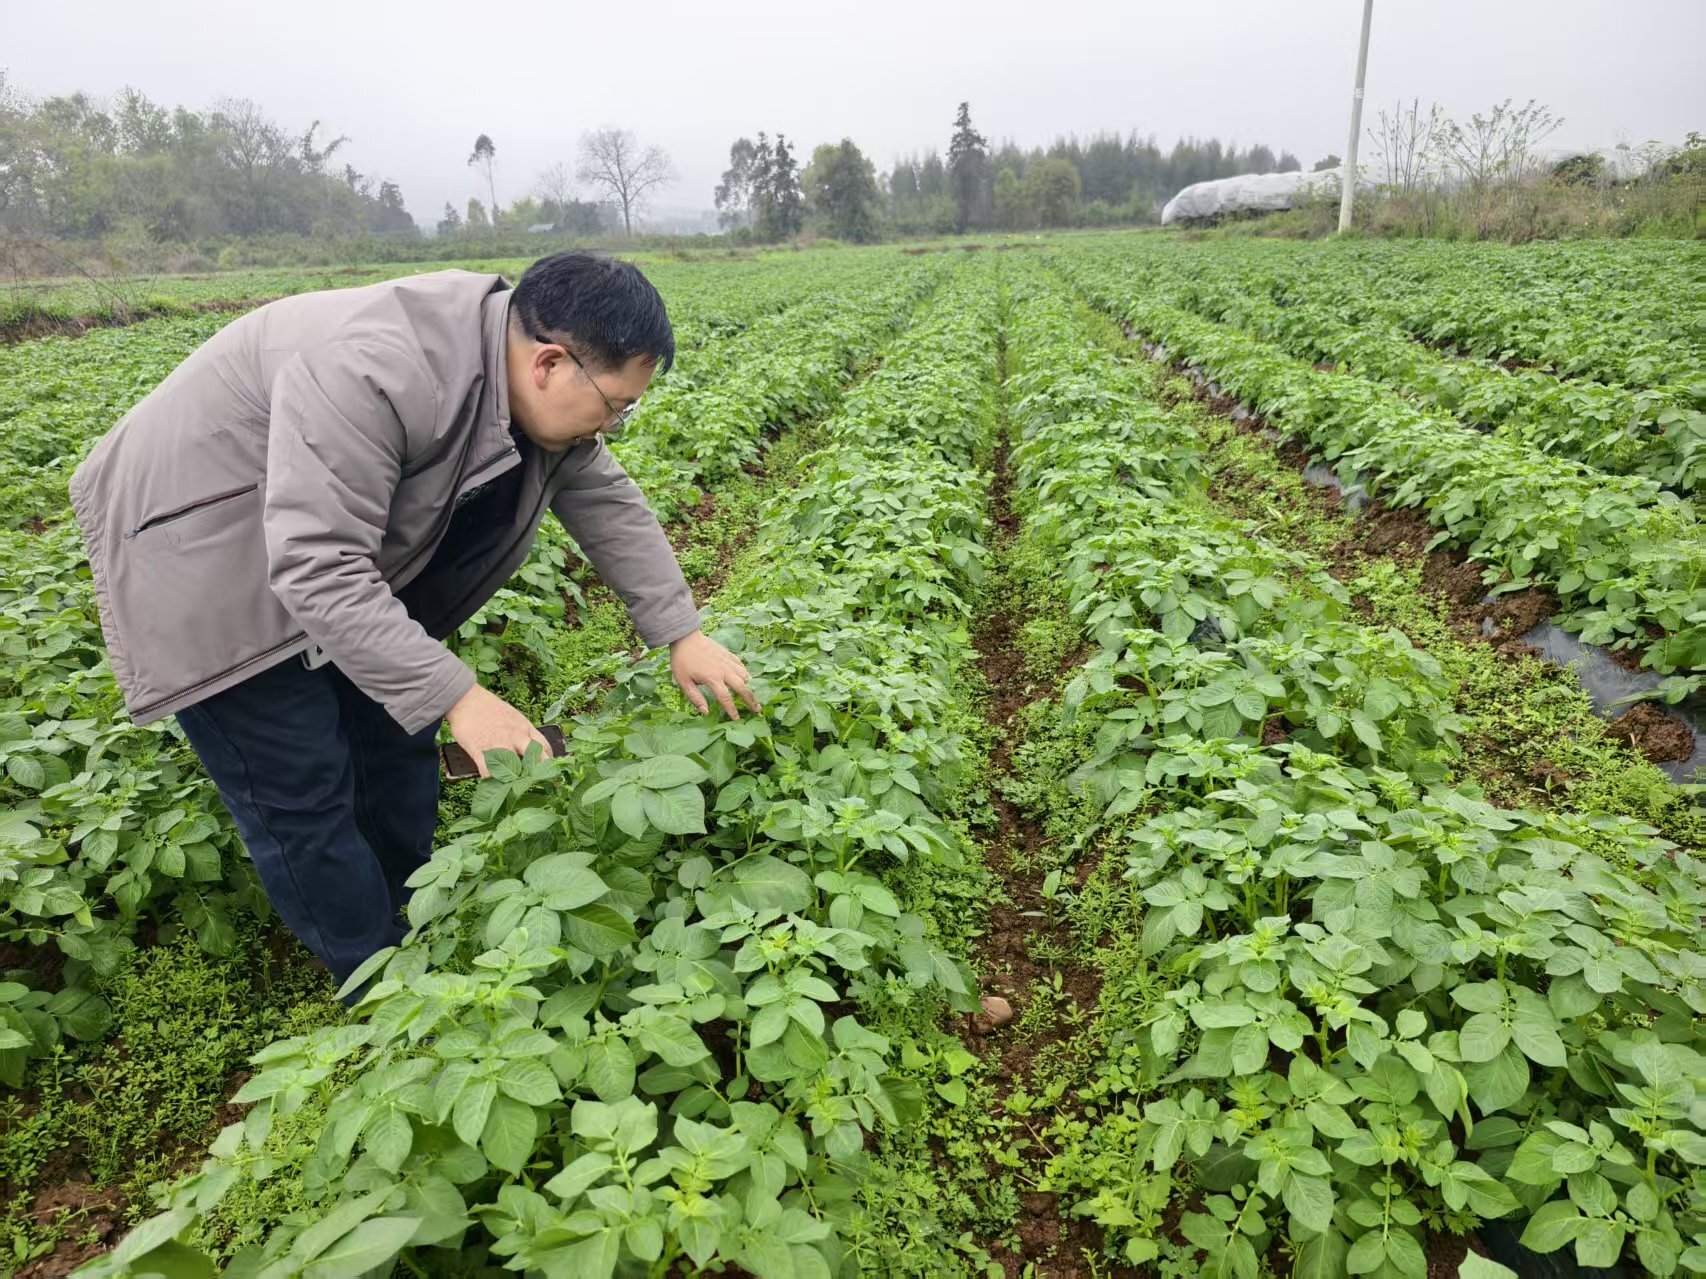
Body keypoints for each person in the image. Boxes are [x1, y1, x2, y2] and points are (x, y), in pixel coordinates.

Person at [69, 251, 758, 991]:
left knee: (394, 738)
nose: (614, 423)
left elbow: (604, 498)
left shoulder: (508, 360)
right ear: (551, 363)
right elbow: (320, 566)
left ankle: (412, 920)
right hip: (198, 554)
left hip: (316, 534)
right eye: (616, 404)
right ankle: (379, 988)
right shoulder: (377, 368)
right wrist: (462, 697)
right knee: (302, 789)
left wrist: (681, 633)